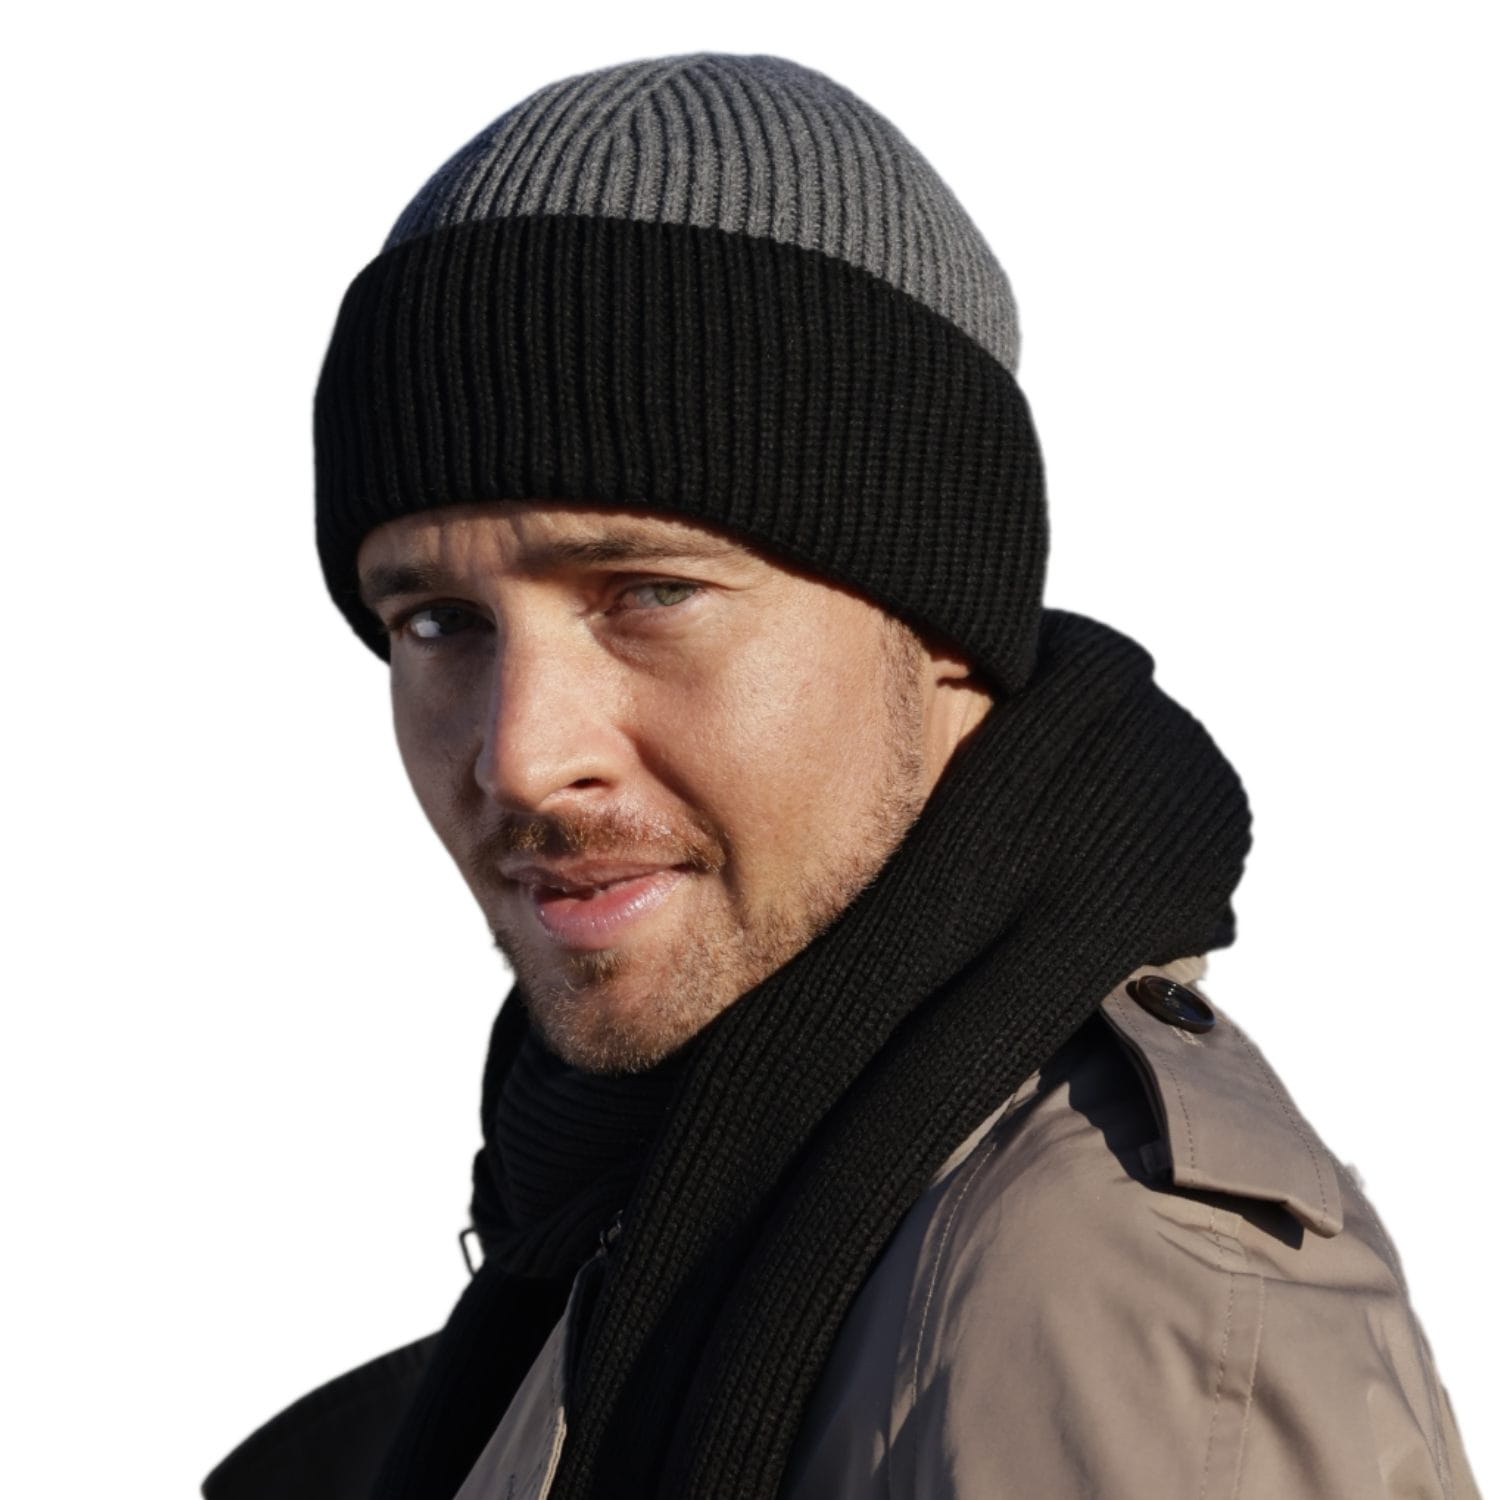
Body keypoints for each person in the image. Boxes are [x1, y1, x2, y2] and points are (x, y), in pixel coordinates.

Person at [204, 53, 1479, 1500]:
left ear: (938, 621)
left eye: (651, 593)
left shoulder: (1110, 1300)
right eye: (438, 622)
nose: (524, 755)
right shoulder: (619, 1238)